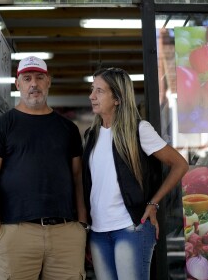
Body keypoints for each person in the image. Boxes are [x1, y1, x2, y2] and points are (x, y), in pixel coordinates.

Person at [0, 56, 88, 280]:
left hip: (65, 233)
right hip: (16, 232)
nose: (33, 84)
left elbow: (78, 178)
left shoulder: (67, 129)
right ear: (18, 84)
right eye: (27, 78)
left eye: (39, 77)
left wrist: (82, 225)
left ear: (49, 81)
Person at [83, 67, 189, 280]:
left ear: (117, 98)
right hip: (98, 231)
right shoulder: (91, 135)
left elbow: (179, 164)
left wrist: (154, 203)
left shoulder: (139, 129)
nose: (92, 96)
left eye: (100, 91)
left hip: (131, 228)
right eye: (92, 89)